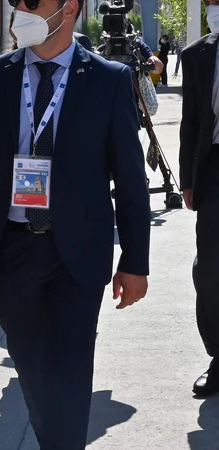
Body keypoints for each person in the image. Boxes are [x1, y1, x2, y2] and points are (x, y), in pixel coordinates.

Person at [0, 0, 150, 448]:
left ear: (68, 7)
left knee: (70, 374)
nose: (21, 11)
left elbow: (130, 179)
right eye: (17, 4)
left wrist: (135, 260)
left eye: (33, 2)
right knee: (30, 368)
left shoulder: (109, 80)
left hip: (78, 253)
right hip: (12, 249)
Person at [180, 3, 219, 398]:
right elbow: (190, 121)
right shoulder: (197, 55)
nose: (215, 9)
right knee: (210, 268)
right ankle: (218, 356)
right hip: (215, 169)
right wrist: (188, 179)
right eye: (211, 3)